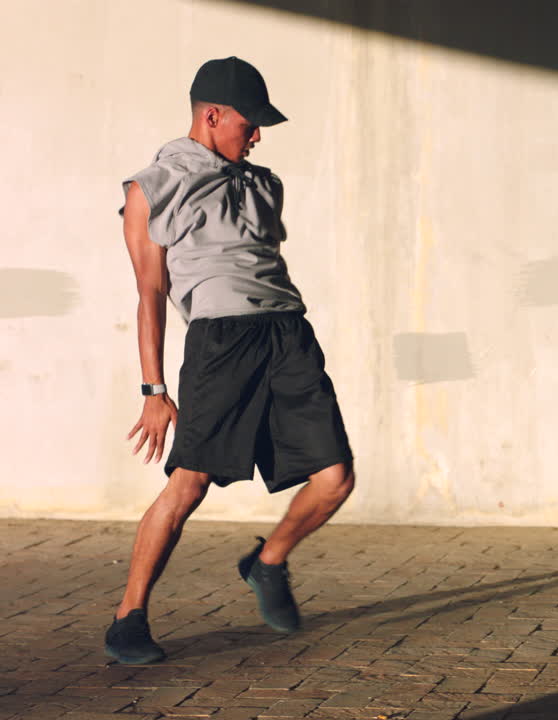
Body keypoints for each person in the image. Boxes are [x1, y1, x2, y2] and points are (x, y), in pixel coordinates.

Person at [105, 57, 356, 664]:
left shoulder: (265, 183)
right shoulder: (152, 186)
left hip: (289, 334)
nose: (259, 135)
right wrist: (153, 389)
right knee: (189, 484)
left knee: (335, 480)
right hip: (221, 344)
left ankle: (268, 563)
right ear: (211, 115)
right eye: (251, 123)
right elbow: (150, 293)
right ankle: (128, 617)